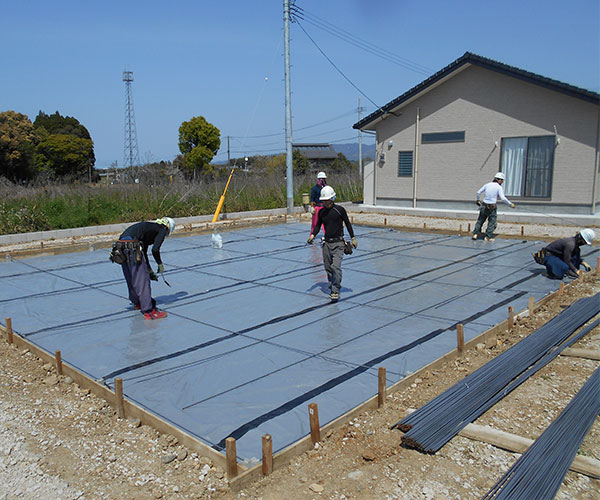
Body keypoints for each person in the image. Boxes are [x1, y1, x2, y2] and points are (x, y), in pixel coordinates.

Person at [110, 217, 175, 319]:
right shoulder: (162, 229)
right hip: (132, 246)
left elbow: (143, 253)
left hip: (120, 246)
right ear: (168, 228)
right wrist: (160, 264)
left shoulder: (148, 229)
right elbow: (155, 249)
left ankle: (137, 302)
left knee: (131, 277)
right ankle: (149, 311)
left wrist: (149, 270)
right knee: (142, 280)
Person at [307, 186, 357, 302]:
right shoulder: (322, 212)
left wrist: (353, 238)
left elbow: (348, 224)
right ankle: (332, 282)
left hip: (339, 243)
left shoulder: (340, 210)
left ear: (333, 199)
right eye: (324, 201)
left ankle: (335, 289)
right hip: (326, 244)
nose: (326, 203)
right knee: (328, 267)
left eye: (328, 200)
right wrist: (313, 235)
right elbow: (318, 225)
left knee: (336, 267)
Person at [472, 172, 515, 241]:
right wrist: (510, 204)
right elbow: (503, 198)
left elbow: (478, 192)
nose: (502, 182)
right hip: (492, 207)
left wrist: (478, 200)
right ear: (499, 180)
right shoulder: (499, 187)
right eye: (502, 180)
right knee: (492, 222)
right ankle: (487, 237)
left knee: (480, 220)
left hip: (484, 205)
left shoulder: (487, 185)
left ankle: (475, 234)